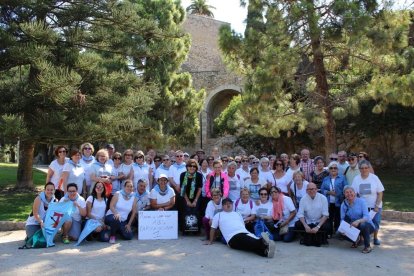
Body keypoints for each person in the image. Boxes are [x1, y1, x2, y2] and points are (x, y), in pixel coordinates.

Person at [205, 198, 275, 258]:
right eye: (226, 204)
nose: (228, 205)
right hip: (232, 237)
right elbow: (213, 228)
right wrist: (210, 241)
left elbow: (242, 225)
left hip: (244, 233)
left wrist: (247, 233)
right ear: (223, 206)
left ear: (232, 205)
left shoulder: (237, 213)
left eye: (230, 203)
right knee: (251, 241)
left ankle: (264, 252)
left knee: (251, 243)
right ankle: (263, 242)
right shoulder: (218, 215)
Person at [352, 160, 384, 246]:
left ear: (369, 168)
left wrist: (377, 205)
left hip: (375, 206)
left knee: (376, 222)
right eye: (362, 168)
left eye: (366, 168)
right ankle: (362, 239)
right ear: (359, 169)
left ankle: (375, 238)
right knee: (363, 224)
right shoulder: (356, 179)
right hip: (363, 206)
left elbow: (380, 192)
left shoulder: (374, 178)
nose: (364, 170)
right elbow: (354, 194)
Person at [340, 186, 376, 253]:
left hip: (367, 225)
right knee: (341, 232)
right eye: (347, 192)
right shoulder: (343, 204)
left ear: (355, 193)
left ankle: (367, 246)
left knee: (363, 225)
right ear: (344, 195)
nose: (349, 194)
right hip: (353, 226)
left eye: (351, 192)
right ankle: (356, 240)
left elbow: (367, 217)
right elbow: (342, 219)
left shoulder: (362, 201)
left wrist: (358, 221)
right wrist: (343, 229)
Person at [320, 161, 348, 236]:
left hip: (339, 201)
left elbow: (346, 188)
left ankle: (338, 232)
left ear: (338, 169)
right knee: (329, 218)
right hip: (329, 202)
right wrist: (329, 192)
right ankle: (329, 232)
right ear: (329, 169)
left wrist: (339, 194)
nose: (333, 169)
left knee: (338, 218)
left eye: (335, 168)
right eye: (331, 168)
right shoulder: (326, 179)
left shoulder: (342, 178)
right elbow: (322, 189)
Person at [179, 159, 203, 232]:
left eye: (194, 166)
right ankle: (186, 230)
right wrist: (188, 201)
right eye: (190, 166)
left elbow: (199, 188)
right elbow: (182, 189)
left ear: (196, 167)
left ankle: (195, 230)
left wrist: (195, 200)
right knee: (186, 210)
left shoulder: (199, 175)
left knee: (196, 211)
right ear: (187, 167)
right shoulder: (183, 175)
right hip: (185, 196)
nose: (192, 167)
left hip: (196, 197)